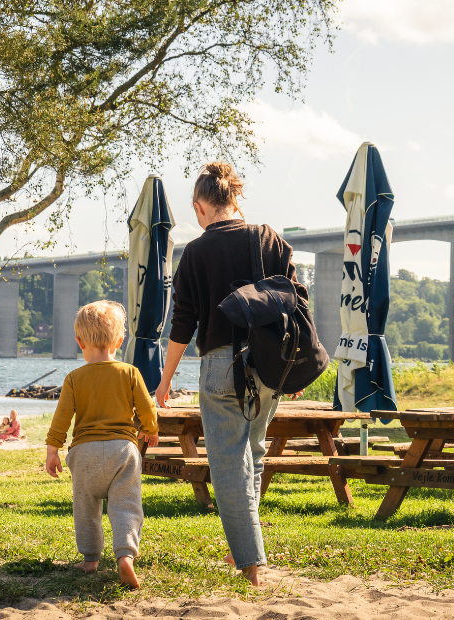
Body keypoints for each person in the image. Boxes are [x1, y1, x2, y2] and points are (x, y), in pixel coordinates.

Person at [154, 162, 304, 588]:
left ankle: (251, 565)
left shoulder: (196, 252)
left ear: (201, 207)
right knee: (251, 455)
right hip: (272, 363)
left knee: (226, 466)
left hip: (222, 364)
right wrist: (293, 366)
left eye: (195, 211)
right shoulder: (269, 237)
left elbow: (182, 323)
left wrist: (165, 380)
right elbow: (297, 301)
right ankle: (245, 547)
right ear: (234, 199)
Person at [44, 300, 160, 590]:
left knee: (85, 509)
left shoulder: (74, 378)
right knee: (126, 506)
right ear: (120, 341)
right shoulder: (130, 372)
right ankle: (125, 557)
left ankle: (91, 559)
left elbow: (61, 419)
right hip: (123, 450)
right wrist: (151, 429)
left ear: (79, 342)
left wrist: (52, 449)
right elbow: (147, 408)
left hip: (84, 453)